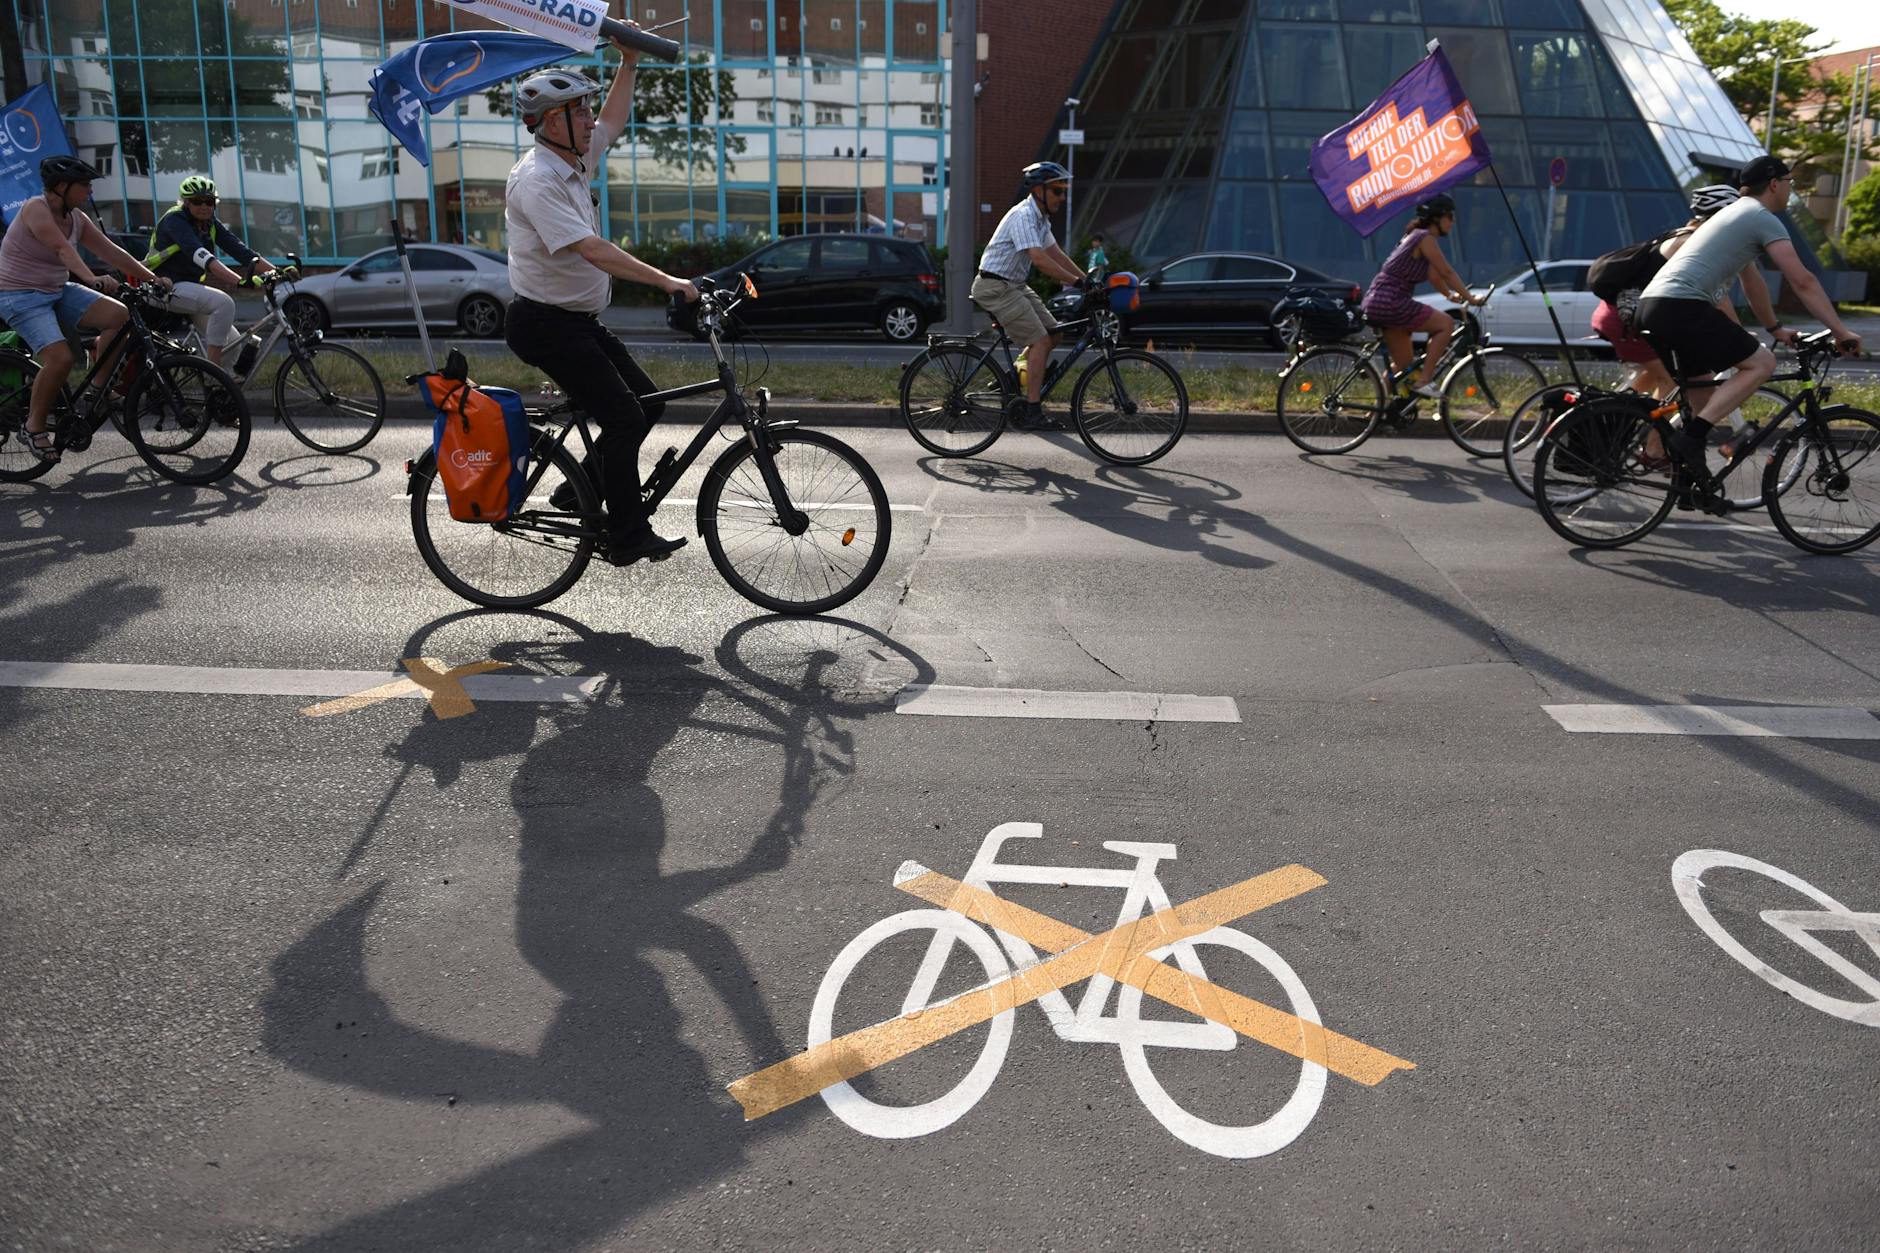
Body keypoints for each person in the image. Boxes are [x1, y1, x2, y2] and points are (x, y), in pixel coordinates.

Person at [501, 33, 700, 567]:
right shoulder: (537, 181)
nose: (591, 119)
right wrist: (668, 282)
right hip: (545, 326)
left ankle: (578, 491)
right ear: (551, 122)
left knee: (648, 403)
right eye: (580, 110)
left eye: (587, 109)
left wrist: (629, 61)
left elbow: (613, 122)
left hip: (576, 321)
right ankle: (628, 536)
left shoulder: (574, 157)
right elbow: (593, 250)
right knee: (624, 419)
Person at [1638, 155, 1863, 476]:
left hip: (1654, 305)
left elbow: (1753, 282)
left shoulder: (1733, 214)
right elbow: (1802, 280)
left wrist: (1775, 328)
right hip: (1681, 305)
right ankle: (1692, 439)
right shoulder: (1760, 216)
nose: (1790, 190)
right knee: (1761, 364)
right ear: (1774, 184)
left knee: (1701, 391)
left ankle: (1689, 483)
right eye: (1790, 184)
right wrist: (1841, 331)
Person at [0, 155, 168, 464]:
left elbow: (109, 250)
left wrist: (152, 278)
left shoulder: (76, 217)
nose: (89, 191)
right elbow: (61, 248)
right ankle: (33, 425)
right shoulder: (35, 209)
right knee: (60, 358)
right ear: (61, 187)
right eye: (84, 185)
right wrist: (91, 279)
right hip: (19, 295)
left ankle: (98, 386)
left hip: (55, 289)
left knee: (119, 315)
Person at [971, 161, 1087, 431]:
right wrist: (1077, 283)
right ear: (1038, 190)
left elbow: (1056, 254)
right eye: (1057, 190)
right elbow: (1038, 259)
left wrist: (1087, 281)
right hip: (995, 286)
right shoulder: (1023, 215)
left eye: (1063, 190)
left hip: (1014, 285)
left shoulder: (1040, 218)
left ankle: (1016, 378)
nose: (1063, 197)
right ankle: (1033, 410)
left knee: (1054, 333)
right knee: (1040, 341)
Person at [144, 175, 277, 369]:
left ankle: (217, 389)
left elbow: (242, 251)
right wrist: (239, 281)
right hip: (163, 286)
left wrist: (279, 272)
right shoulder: (175, 220)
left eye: (209, 201)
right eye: (198, 201)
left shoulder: (210, 223)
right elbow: (204, 257)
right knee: (223, 302)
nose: (205, 206)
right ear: (186, 203)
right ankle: (213, 372)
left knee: (233, 343)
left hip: (189, 288)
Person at [1360, 192, 1484, 400]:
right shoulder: (1425, 238)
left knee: (1403, 366)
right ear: (1438, 217)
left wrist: (1450, 296)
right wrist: (1470, 298)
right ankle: (1425, 380)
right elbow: (1446, 272)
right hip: (1391, 301)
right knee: (1446, 324)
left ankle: (1377, 414)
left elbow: (1433, 275)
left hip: (1377, 300)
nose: (1452, 223)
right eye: (1450, 217)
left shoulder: (1413, 236)